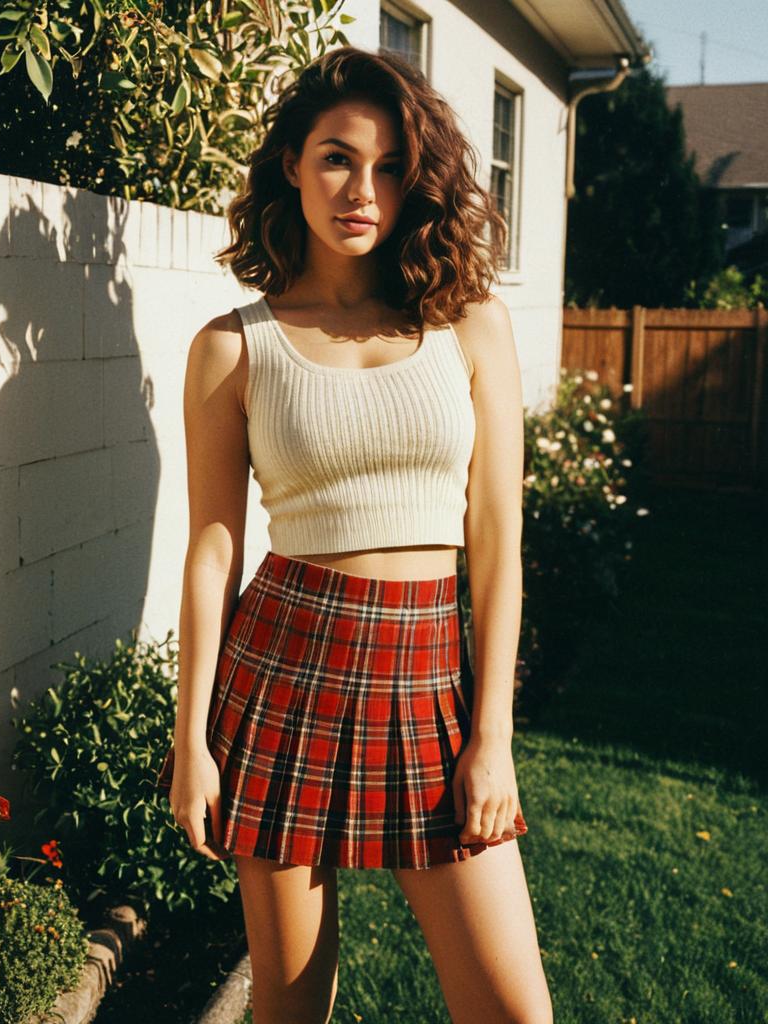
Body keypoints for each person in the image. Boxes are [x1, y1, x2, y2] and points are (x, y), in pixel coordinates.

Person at [155, 45, 553, 1024]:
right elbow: (213, 550)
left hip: (428, 685)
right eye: (336, 157)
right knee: (290, 1012)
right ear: (291, 162)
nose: (360, 189)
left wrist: (490, 736)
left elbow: (496, 539)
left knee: (513, 1014)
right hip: (281, 676)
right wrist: (190, 744)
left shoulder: (470, 323)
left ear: (416, 176)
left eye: (386, 165)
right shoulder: (231, 346)